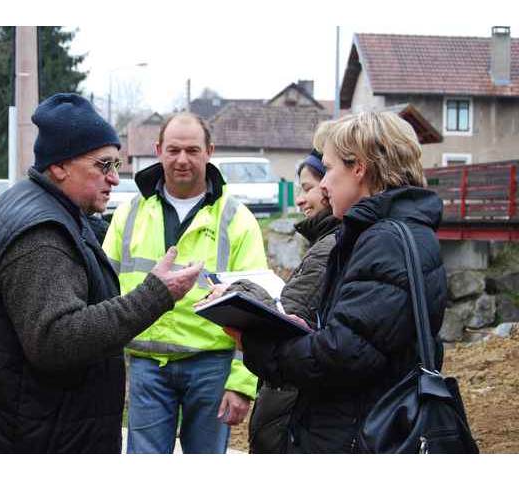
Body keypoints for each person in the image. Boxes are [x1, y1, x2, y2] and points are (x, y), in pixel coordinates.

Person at [0, 93, 202, 453]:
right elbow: (57, 339)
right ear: (59, 166)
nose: (114, 178)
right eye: (103, 165)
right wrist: (156, 295)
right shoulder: (42, 237)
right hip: (29, 436)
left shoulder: (27, 203)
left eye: (116, 164)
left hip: (11, 422)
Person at [228, 111, 447, 453]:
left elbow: (345, 354)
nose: (324, 186)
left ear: (359, 168)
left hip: (359, 434)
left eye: (329, 169)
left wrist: (261, 347)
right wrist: (309, 331)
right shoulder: (388, 233)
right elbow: (363, 339)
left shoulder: (385, 241)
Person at [103, 112, 267, 454]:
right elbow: (103, 292)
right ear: (159, 150)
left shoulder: (237, 220)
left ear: (209, 151)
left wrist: (241, 384)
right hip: (147, 366)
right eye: (174, 150)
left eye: (192, 150)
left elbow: (257, 309)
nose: (182, 160)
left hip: (211, 367)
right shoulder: (128, 214)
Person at [200, 121, 340, 453]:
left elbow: (285, 321)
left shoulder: (329, 247)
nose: (302, 199)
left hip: (292, 408)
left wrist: (240, 296)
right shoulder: (328, 243)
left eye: (308, 188)